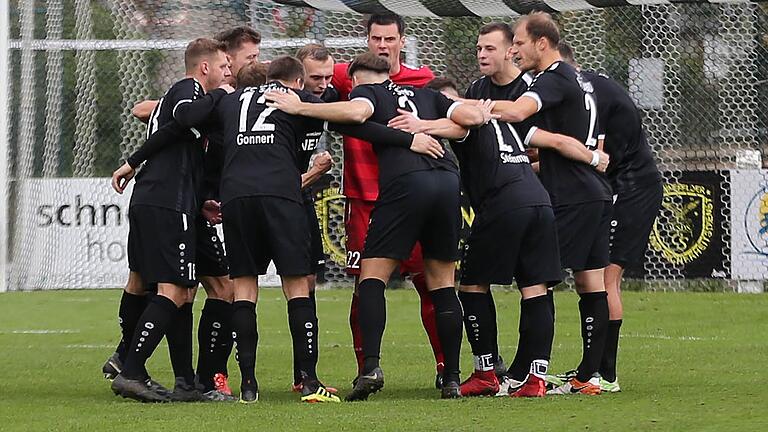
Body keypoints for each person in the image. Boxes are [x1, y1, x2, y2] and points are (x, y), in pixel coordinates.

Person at [266, 52, 489, 400]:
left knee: (371, 279)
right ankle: (453, 379)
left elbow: (356, 114)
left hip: (406, 185)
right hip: (447, 182)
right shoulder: (427, 94)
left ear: (355, 80)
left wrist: (299, 107)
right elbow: (471, 118)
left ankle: (370, 367)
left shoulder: (369, 93)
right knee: (442, 284)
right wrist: (424, 126)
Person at [400, 76, 608, 398]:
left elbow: (458, 128)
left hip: (504, 203)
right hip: (539, 201)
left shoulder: (466, 117)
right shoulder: (503, 119)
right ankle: (536, 379)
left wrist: (420, 125)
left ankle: (485, 372)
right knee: (534, 288)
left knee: (471, 286)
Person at [492, 12, 613, 395]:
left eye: (519, 43)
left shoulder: (554, 78)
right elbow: (560, 138)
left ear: (542, 43)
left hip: (573, 196)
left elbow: (516, 111)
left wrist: (462, 106)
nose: (514, 50)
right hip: (594, 190)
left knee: (534, 275)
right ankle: (590, 376)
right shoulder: (579, 79)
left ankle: (526, 373)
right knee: (590, 281)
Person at [108, 38, 232, 403]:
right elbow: (183, 117)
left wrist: (132, 162)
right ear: (204, 67)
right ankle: (130, 369)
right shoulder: (188, 89)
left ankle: (184, 381)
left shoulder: (188, 101)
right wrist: (222, 93)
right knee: (174, 290)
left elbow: (169, 131)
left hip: (165, 201)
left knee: (181, 289)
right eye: (223, 67)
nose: (228, 74)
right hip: (167, 203)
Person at [330, 13, 446, 387]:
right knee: (365, 286)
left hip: (413, 197)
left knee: (432, 284)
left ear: (402, 41)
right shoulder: (347, 79)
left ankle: (447, 367)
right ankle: (367, 367)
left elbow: (457, 117)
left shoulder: (423, 83)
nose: (383, 45)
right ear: (367, 41)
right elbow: (310, 71)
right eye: (376, 38)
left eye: (390, 39)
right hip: (364, 200)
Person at [556, 42, 663, 393]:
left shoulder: (588, 93)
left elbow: (595, 155)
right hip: (617, 185)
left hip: (631, 188)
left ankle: (605, 373)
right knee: (597, 277)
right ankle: (594, 368)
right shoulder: (589, 88)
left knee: (607, 278)